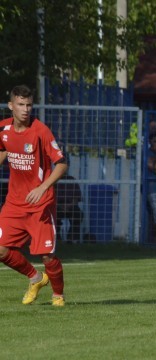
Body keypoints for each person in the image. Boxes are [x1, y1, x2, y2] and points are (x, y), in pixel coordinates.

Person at [0, 85, 69, 307]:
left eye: (29, 105)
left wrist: (42, 188)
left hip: (40, 204)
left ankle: (58, 296)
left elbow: (61, 164)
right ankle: (35, 278)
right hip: (14, 203)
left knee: (46, 255)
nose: (25, 109)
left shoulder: (41, 131)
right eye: (21, 104)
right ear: (11, 106)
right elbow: (3, 148)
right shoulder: (3, 129)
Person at [56, 173, 83, 243]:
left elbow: (76, 198)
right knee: (52, 214)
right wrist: (60, 206)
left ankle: (72, 239)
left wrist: (69, 205)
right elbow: (50, 197)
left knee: (77, 213)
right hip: (57, 206)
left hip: (70, 206)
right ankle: (56, 237)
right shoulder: (53, 179)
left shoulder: (72, 180)